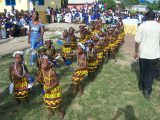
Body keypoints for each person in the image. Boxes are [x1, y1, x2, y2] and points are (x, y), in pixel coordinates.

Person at [134, 11, 160, 99]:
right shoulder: (159, 26)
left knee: (143, 70)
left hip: (143, 54)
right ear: (155, 17)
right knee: (151, 72)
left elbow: (137, 41)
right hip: (154, 54)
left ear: (146, 16)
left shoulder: (142, 26)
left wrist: (136, 51)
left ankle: (141, 85)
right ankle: (147, 88)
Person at [35, 55, 64, 119]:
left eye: (44, 64)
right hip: (46, 88)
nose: (42, 65)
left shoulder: (52, 72)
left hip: (53, 89)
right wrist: (34, 82)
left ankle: (60, 112)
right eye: (42, 63)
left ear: (49, 65)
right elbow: (40, 76)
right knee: (46, 102)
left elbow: (56, 83)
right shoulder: (43, 70)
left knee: (54, 103)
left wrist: (49, 89)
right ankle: (51, 112)